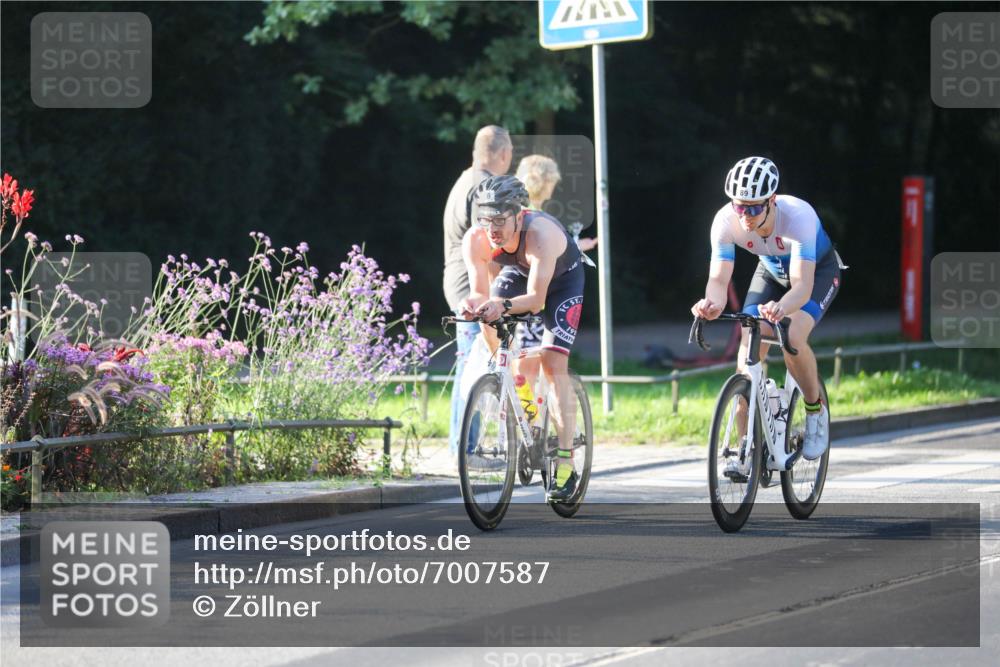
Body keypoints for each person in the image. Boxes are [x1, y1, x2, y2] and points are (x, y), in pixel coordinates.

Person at [691, 156, 845, 464]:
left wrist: (781, 307)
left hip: (817, 273)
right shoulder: (724, 221)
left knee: (791, 333)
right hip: (772, 272)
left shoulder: (798, 217)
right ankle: (744, 449)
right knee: (748, 348)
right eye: (739, 207)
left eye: (754, 208)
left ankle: (816, 412)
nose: (745, 216)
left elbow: (801, 286)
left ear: (772, 201)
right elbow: (718, 279)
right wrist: (711, 304)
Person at [461, 175, 585, 501]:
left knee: (552, 362)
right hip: (518, 274)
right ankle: (522, 403)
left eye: (500, 219)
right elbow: (480, 291)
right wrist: (476, 304)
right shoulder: (476, 239)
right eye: (486, 219)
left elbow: (536, 300)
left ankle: (566, 460)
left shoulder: (541, 235)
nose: (492, 228)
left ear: (519, 213)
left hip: (560, 283)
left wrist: (500, 305)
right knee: (510, 353)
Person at [443, 126, 512, 458]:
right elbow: (488, 244)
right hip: (471, 287)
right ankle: (464, 447)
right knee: (473, 366)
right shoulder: (485, 188)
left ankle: (463, 444)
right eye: (510, 154)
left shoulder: (462, 180)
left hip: (456, 281)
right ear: (502, 154)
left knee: (467, 363)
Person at [513, 154, 597, 392]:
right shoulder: (535, 215)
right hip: (540, 292)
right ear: (544, 182)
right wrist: (580, 246)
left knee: (524, 364)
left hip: (524, 290)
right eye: (552, 184)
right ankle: (533, 416)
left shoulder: (520, 212)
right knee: (536, 362)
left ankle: (528, 417)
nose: (553, 190)